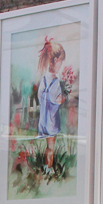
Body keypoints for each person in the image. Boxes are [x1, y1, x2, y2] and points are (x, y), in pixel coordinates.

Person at [37, 37, 66, 174]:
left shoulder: (44, 79)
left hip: (44, 119)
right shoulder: (55, 82)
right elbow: (57, 99)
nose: (61, 65)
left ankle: (46, 166)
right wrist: (62, 99)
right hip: (52, 120)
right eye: (61, 61)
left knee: (48, 145)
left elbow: (40, 96)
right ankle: (49, 167)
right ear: (55, 61)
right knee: (51, 146)